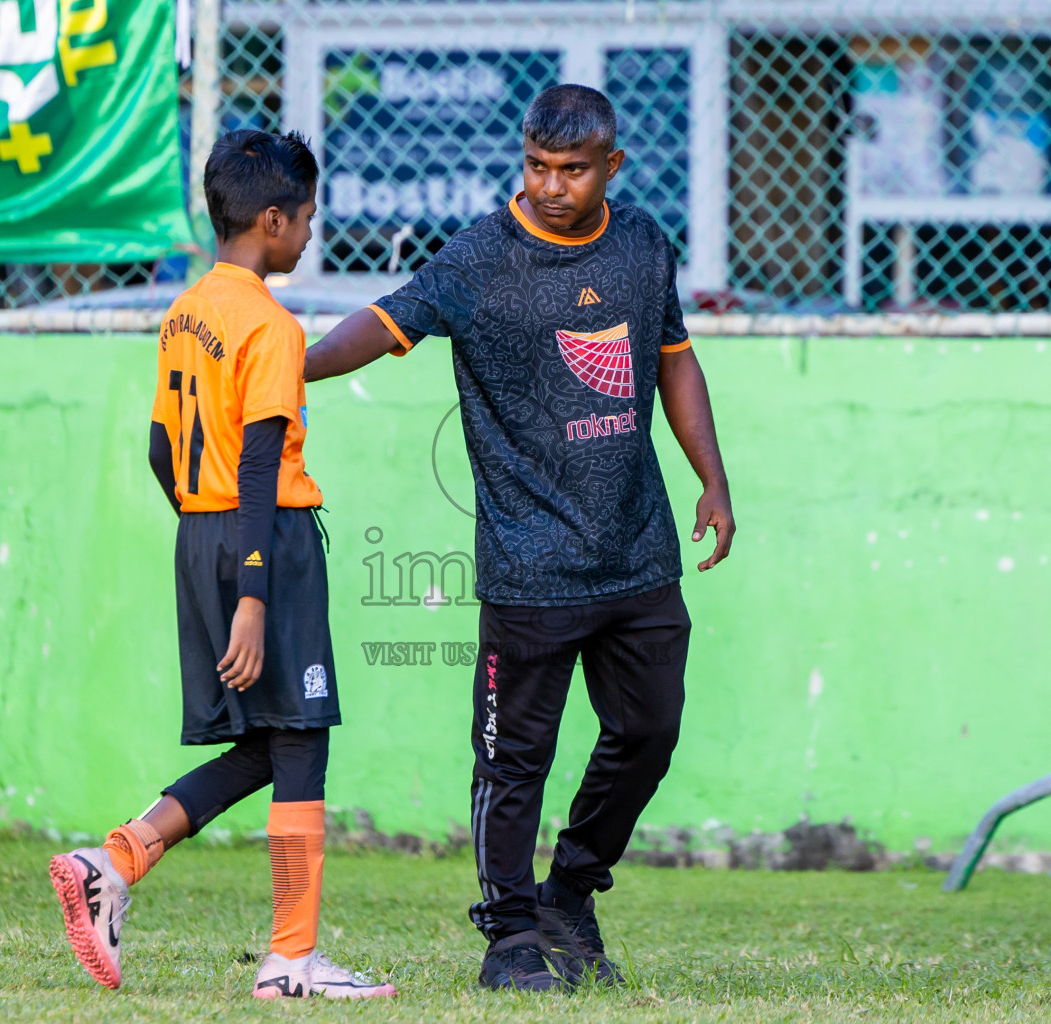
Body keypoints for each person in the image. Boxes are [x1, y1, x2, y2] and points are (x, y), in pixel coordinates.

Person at [305, 84, 735, 991]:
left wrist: (713, 480)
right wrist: (291, 366)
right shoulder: (480, 258)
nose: (550, 186)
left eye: (572, 170)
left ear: (610, 167)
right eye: (537, 166)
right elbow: (385, 325)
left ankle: (569, 893)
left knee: (649, 731)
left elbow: (674, 361)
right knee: (512, 761)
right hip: (530, 568)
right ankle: (508, 936)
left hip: (638, 554)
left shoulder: (643, 245)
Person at [47, 129, 394, 1001]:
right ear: (272, 219)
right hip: (261, 536)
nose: (311, 234)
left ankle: (118, 857)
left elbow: (165, 448)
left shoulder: (184, 310)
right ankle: (290, 961)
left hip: (201, 532)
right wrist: (250, 591)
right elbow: (258, 460)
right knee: (303, 737)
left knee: (266, 742)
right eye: (306, 218)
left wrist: (207, 547)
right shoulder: (272, 325)